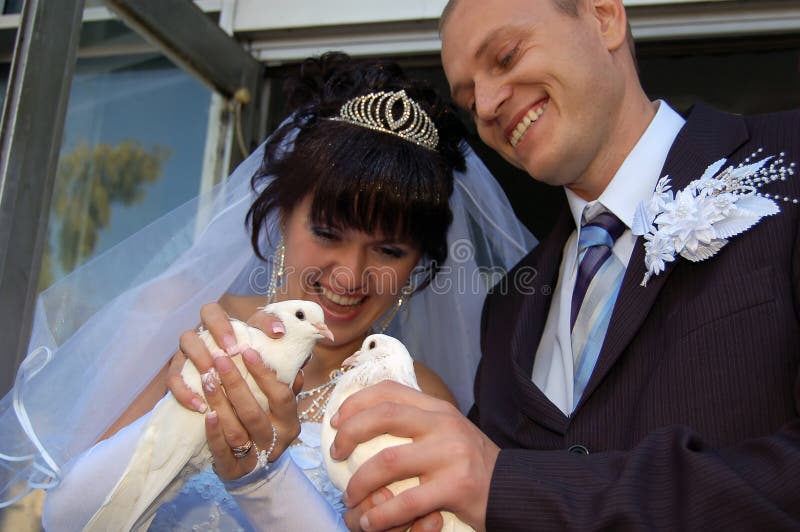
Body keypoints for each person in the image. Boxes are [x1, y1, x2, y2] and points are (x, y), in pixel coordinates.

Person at [0, 53, 535, 530]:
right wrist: (186, 422)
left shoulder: (415, 393)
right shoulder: (184, 323)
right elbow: (64, 518)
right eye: (327, 233)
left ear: (419, 265)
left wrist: (261, 476)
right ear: (282, 217)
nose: (349, 276)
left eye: (389, 251)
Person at [329, 0, 800, 530]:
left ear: (604, 17)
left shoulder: (790, 163)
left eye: (505, 57)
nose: (485, 105)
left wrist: (506, 484)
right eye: (466, 100)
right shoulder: (508, 308)